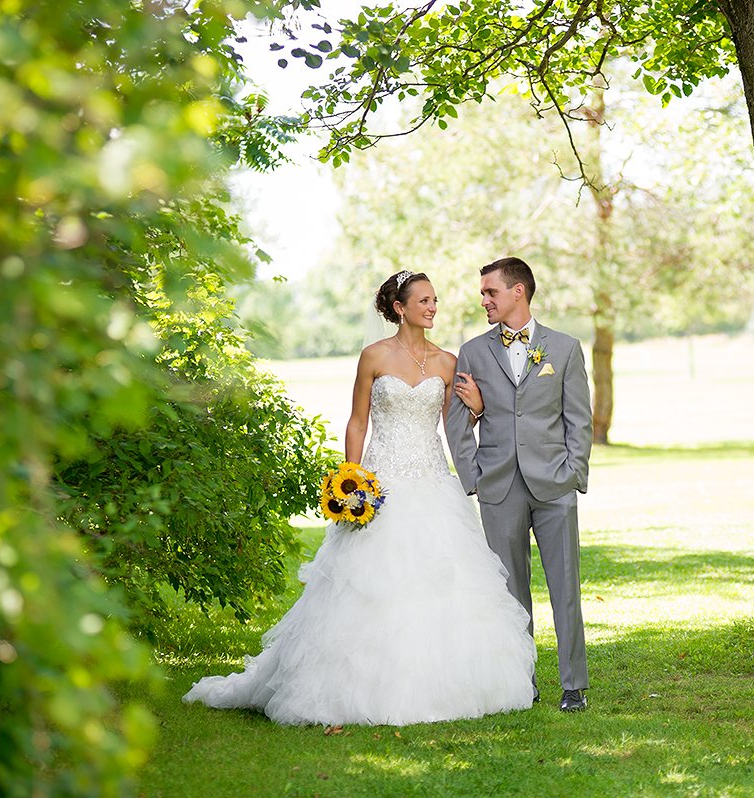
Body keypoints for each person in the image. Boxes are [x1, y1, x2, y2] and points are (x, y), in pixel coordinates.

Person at [182, 270, 535, 726]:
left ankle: (443, 686)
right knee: (368, 586)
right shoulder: (373, 356)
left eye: (435, 300)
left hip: (432, 484)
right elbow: (357, 421)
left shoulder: (448, 362)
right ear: (400, 307)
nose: (433, 307)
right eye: (424, 300)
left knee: (443, 582)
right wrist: (353, 479)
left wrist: (480, 410)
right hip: (381, 483)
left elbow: (455, 427)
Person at [444, 256, 593, 712]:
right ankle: (519, 682)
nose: (483, 299)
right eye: (483, 292)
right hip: (499, 487)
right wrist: (474, 478)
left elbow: (578, 420)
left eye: (491, 291)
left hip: (554, 485)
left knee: (564, 587)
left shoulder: (564, 349)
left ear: (518, 293)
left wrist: (573, 474)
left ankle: (573, 686)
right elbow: (455, 421)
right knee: (509, 593)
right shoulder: (472, 351)